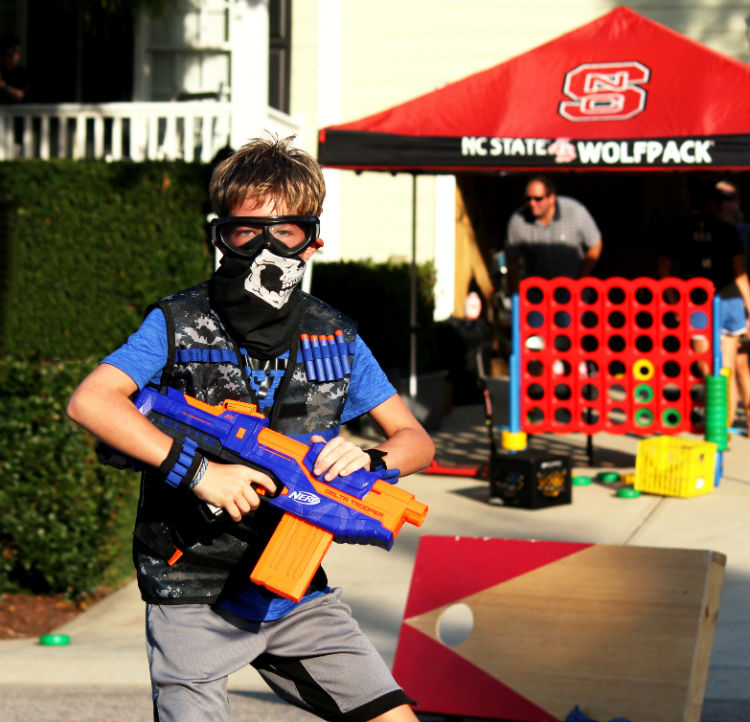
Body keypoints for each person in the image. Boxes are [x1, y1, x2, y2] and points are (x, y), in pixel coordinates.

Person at [67, 136, 435, 722]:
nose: (264, 244)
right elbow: (93, 401)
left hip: (294, 591)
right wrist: (200, 472)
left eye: (283, 230)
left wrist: (372, 461)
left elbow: (417, 440)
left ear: (312, 240)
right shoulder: (179, 322)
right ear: (221, 235)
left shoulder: (334, 335)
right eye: (245, 230)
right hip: (190, 585)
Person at [657, 178, 750, 429]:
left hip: (696, 302)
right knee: (726, 370)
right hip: (727, 301)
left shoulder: (678, 227)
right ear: (713, 201)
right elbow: (739, 273)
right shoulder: (726, 229)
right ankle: (722, 434)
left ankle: (720, 430)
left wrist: (674, 303)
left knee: (712, 370)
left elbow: (664, 269)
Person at [504, 176, 602, 293]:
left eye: (538, 199)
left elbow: (596, 244)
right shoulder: (518, 220)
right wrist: (515, 296)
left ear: (551, 198)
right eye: (528, 199)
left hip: (572, 293)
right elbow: (512, 261)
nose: (532, 203)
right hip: (537, 296)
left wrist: (581, 279)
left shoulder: (575, 212)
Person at [713, 180, 750, 432]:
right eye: (721, 197)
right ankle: (725, 424)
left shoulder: (743, 230)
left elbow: (741, 273)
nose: (727, 201)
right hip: (732, 301)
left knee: (738, 364)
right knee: (736, 364)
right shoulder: (716, 230)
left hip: (740, 301)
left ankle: (737, 420)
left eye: (730, 196)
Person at [0, 32, 28, 103]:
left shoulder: (22, 73)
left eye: (18, 52)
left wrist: (4, 86)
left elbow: (20, 96)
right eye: (10, 52)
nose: (16, 56)